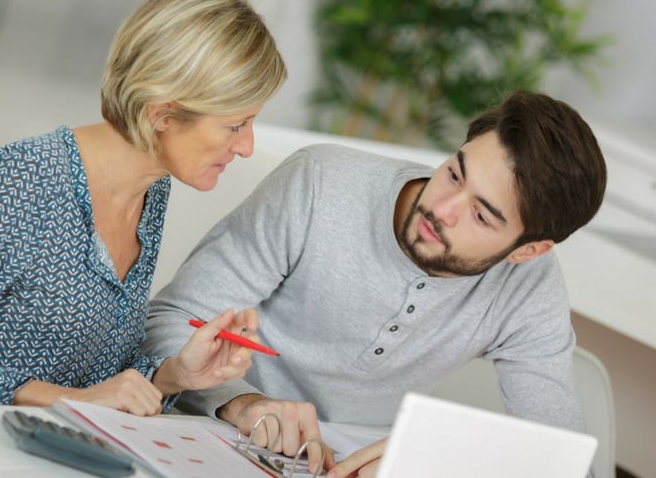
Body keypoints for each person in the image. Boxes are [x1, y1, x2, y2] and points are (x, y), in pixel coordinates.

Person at [0, 0, 287, 414]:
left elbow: (98, 378)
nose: (247, 147)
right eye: (236, 125)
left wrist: (175, 374)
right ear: (161, 115)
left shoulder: (151, 192)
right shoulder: (27, 175)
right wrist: (65, 399)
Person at [143, 90, 607, 474]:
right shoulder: (320, 183)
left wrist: (434, 461)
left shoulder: (529, 285)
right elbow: (169, 322)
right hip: (219, 444)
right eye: (453, 173)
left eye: (481, 215)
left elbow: (563, 458)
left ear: (528, 250)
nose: (441, 209)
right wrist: (240, 402)